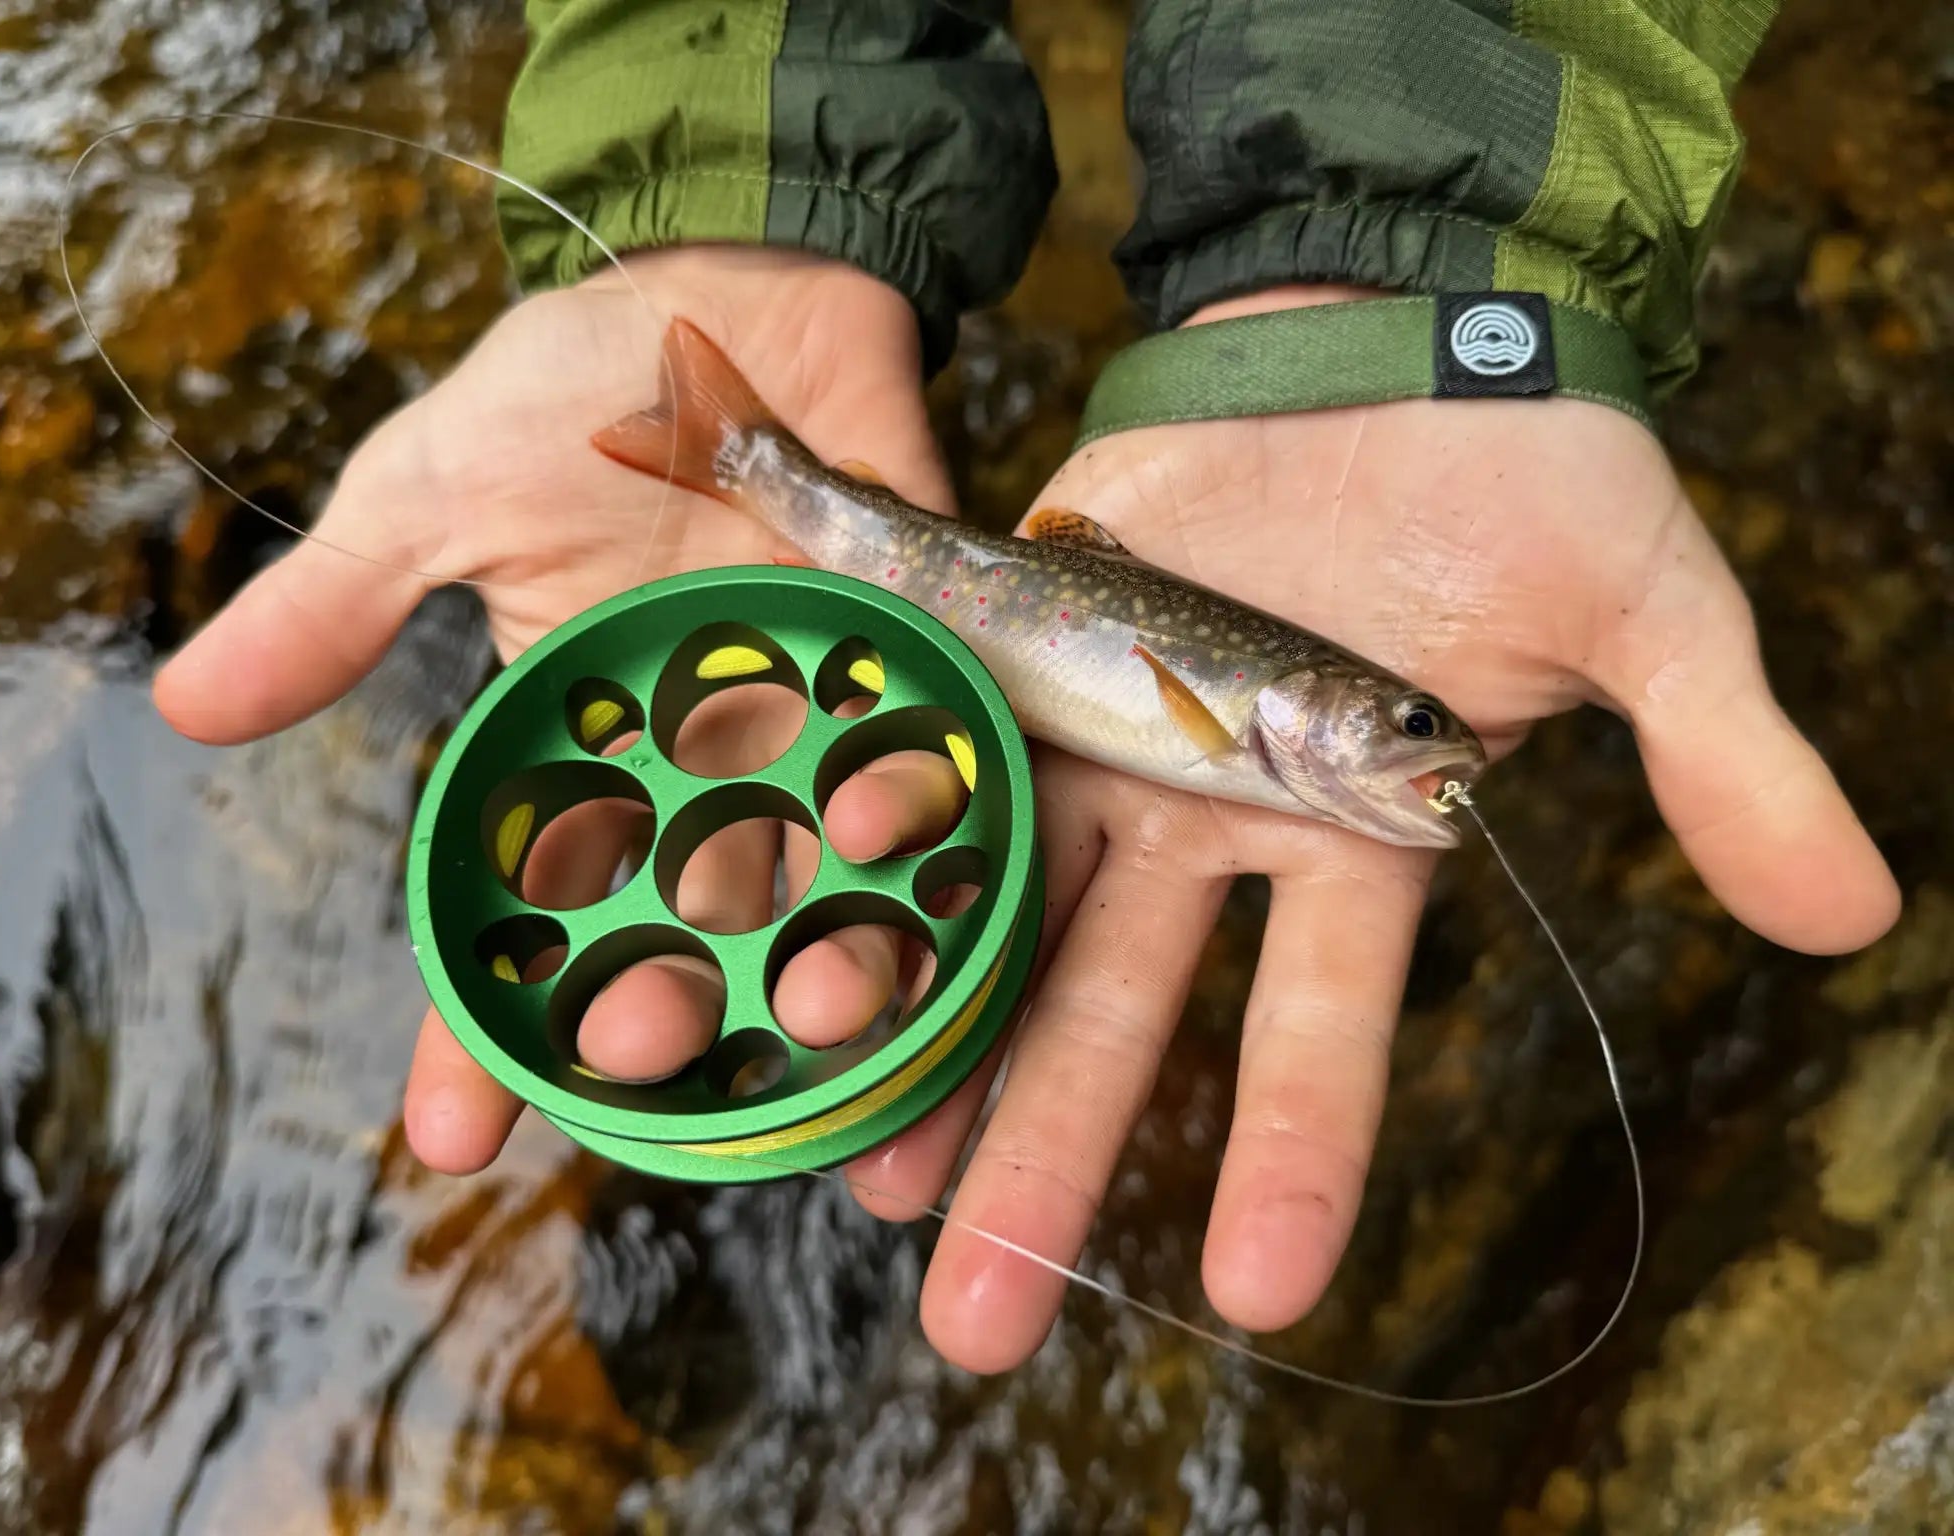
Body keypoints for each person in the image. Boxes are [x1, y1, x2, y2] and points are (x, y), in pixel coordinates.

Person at [153, 0, 1899, 1375]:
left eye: (1409, 729)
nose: (1422, 755)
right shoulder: (1255, 736)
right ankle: (741, 452)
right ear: (1309, 719)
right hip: (938, 562)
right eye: (1400, 725)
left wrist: (1402, 274)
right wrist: (738, 199)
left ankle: (742, 451)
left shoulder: (1277, 744)